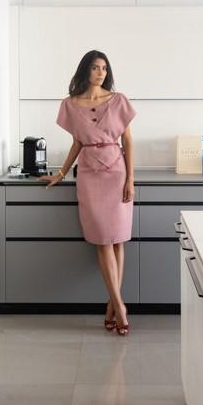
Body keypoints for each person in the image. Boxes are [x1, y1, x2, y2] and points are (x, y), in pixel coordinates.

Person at [46, 49, 137, 334]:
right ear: (85, 70)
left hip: (116, 172)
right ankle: (119, 305)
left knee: (118, 239)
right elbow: (77, 143)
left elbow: (129, 141)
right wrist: (61, 173)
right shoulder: (70, 105)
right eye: (96, 67)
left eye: (105, 68)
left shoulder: (119, 100)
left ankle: (113, 305)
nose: (101, 73)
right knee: (103, 240)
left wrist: (130, 179)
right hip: (88, 174)